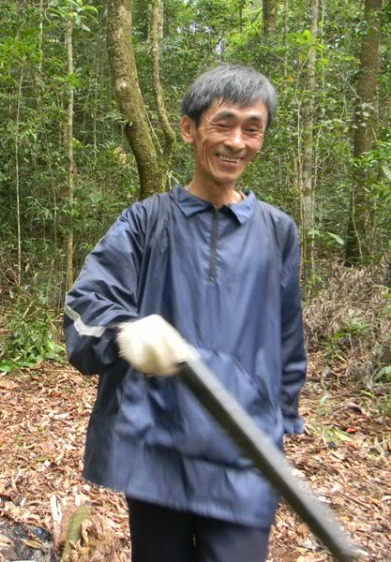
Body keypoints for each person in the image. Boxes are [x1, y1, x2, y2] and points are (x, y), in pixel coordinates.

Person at [64, 65, 306, 562]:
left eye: (252, 128)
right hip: (159, 448)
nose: (237, 142)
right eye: (224, 124)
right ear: (189, 128)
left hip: (244, 453)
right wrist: (125, 333)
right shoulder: (144, 223)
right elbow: (84, 311)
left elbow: (286, 340)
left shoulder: (277, 233)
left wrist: (280, 421)